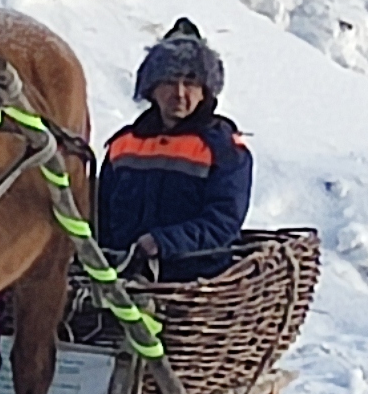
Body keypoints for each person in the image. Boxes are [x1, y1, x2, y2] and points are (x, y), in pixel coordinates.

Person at [95, 18, 253, 282]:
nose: (179, 93)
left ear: (206, 91)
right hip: (120, 281)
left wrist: (162, 242)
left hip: (194, 285)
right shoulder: (122, 145)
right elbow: (100, 218)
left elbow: (224, 222)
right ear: (151, 89)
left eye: (190, 82)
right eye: (169, 81)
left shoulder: (225, 150)